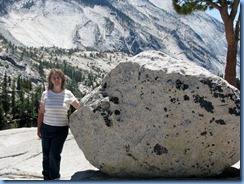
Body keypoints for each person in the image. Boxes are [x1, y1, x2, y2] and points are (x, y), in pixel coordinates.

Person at [37, 68, 79, 180]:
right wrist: (39, 128)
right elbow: (41, 112)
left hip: (61, 130)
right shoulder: (45, 94)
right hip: (46, 128)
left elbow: (78, 107)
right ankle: (46, 177)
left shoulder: (68, 94)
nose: (56, 80)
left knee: (54, 154)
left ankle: (55, 178)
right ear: (50, 80)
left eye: (58, 77)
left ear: (62, 79)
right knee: (46, 156)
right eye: (54, 77)